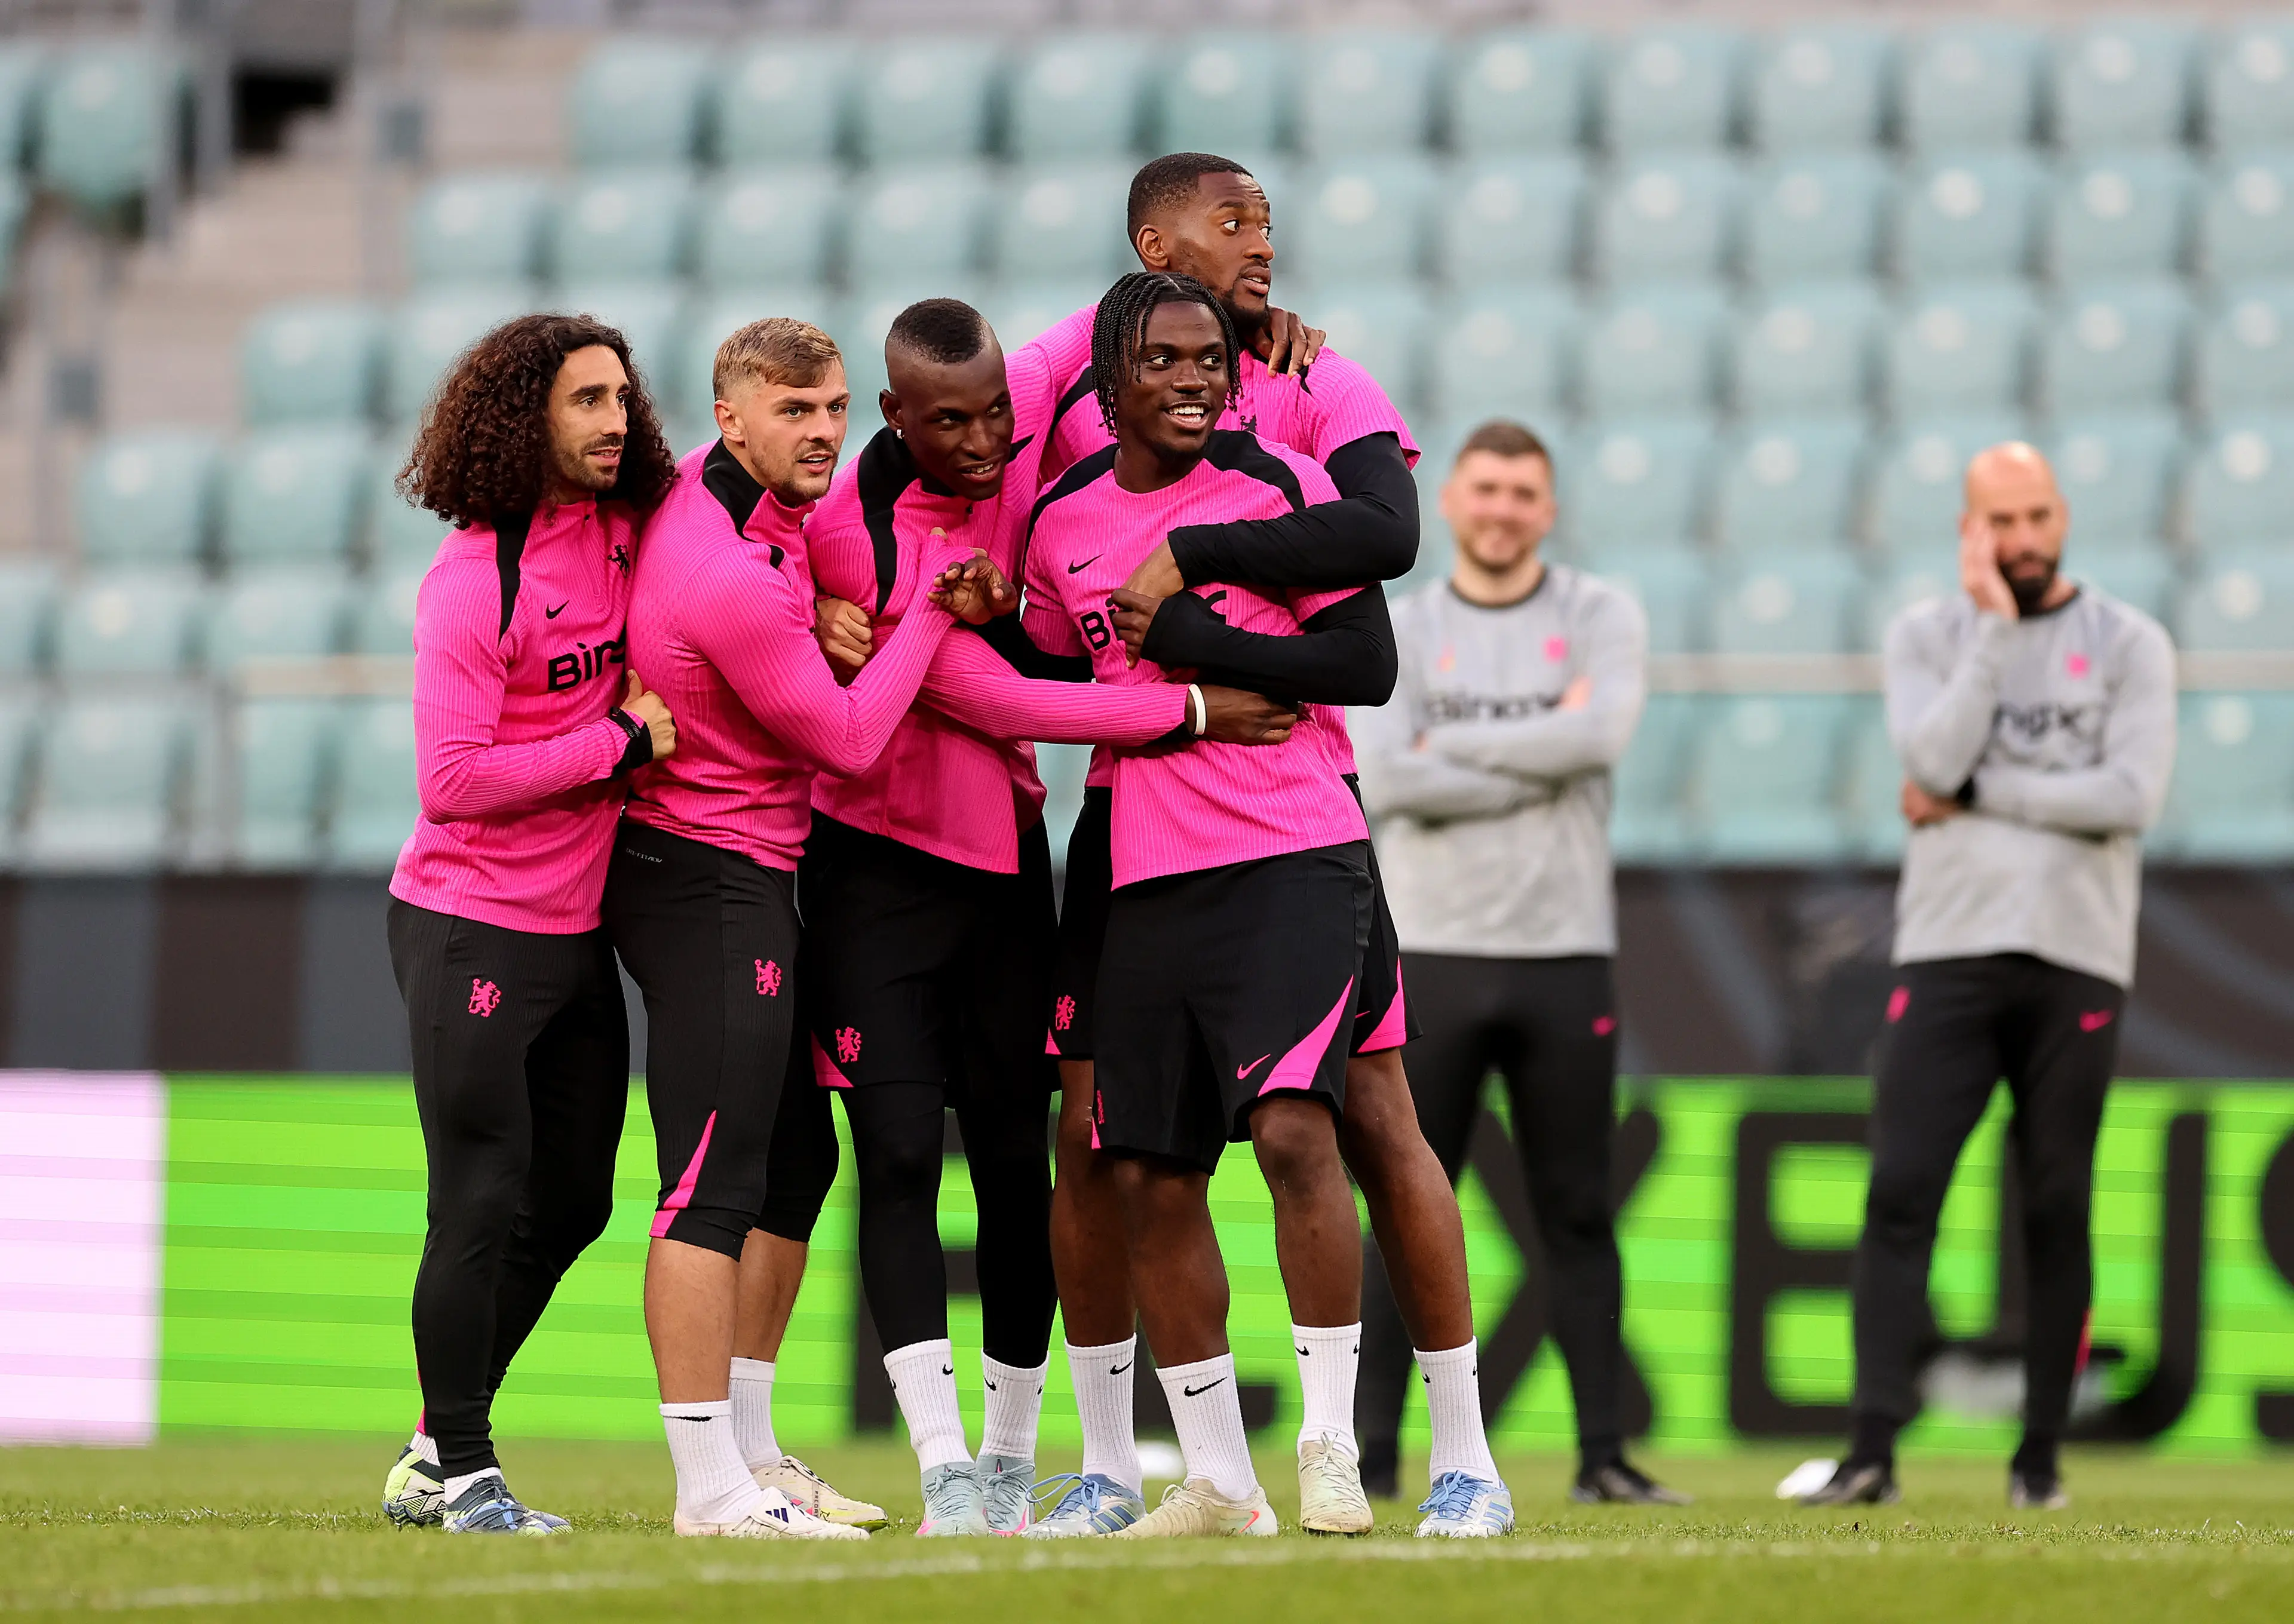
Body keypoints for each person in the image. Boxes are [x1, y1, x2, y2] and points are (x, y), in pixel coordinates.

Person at [1024, 154, 1508, 1542]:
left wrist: (1187, 627)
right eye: (1233, 224)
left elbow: (1381, 563)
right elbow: (1047, 650)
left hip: (1300, 832)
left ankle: (1433, 1455)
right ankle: (1171, 1472)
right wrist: (1164, 698)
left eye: (1267, 225)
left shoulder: (1306, 417)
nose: (1261, 249)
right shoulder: (1060, 465)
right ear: (1149, 253)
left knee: (1344, 1118)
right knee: (1126, 1151)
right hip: (1134, 846)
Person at [798, 297, 1296, 1536]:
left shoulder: (1017, 453)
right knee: (902, 1158)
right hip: (874, 872)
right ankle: (941, 1465)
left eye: (995, 421)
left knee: (1024, 1169)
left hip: (1010, 871)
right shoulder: (854, 534)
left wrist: (1232, 297)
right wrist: (1186, 712)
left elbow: (1097, 328)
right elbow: (988, 692)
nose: (982, 445)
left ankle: (1014, 1458)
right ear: (895, 416)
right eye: (950, 425)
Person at [606, 317, 999, 1539]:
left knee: (795, 1165)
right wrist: (926, 614)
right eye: (795, 412)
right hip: (710, 878)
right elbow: (844, 737)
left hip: (745, 872)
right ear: (731, 419)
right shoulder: (720, 562)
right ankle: (707, 1486)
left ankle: (753, 1451)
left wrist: (837, 607)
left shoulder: (744, 523)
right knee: (709, 1187)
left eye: (833, 408)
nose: (823, 431)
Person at [1799, 442, 2176, 1510]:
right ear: (1967, 529)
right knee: (1901, 1190)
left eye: (2033, 516)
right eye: (1996, 520)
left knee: (2055, 1201)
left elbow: (2131, 796)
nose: (2018, 539)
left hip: (2077, 956)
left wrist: (1984, 793)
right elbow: (1931, 762)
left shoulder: (2129, 643)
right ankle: (1871, 1450)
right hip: (1950, 951)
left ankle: (2039, 1461)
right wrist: (1997, 642)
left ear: (2063, 517)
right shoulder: (1929, 634)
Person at [378, 314, 680, 1534]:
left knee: (576, 1201)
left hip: (574, 935)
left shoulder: (628, 539)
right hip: (469, 927)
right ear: (525, 421)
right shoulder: (472, 579)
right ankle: (463, 1470)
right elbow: (451, 780)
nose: (615, 421)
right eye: (586, 401)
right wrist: (614, 741)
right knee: (482, 1196)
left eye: (622, 398)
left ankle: (427, 1447)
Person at [1353, 420, 1687, 1505]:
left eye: (1523, 493)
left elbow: (1598, 742)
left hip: (1561, 954)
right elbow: (1386, 778)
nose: (1502, 509)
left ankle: (1603, 1459)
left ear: (1548, 510)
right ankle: (1369, 1458)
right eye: (1486, 489)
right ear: (1451, 501)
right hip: (1432, 951)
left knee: (1577, 1212)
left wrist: (1454, 749)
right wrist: (1535, 744)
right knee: (1406, 1208)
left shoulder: (1600, 615)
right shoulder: (1400, 624)